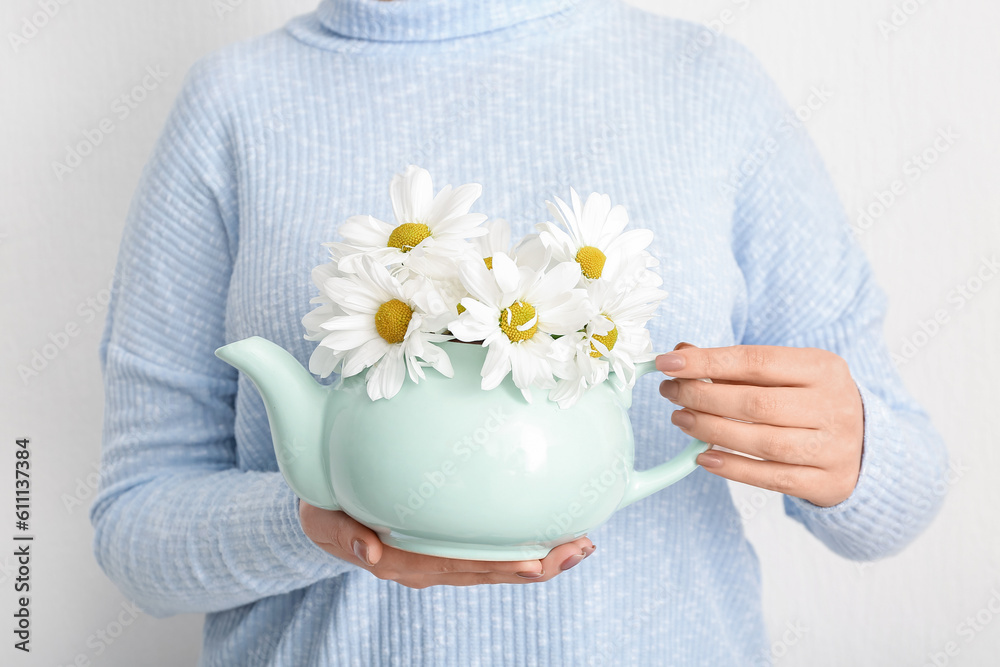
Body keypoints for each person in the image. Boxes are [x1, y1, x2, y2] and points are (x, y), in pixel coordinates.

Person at [90, 0, 948, 664]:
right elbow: (135, 532)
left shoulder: (708, 85)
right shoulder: (231, 105)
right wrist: (319, 520)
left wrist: (856, 449)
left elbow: (897, 499)